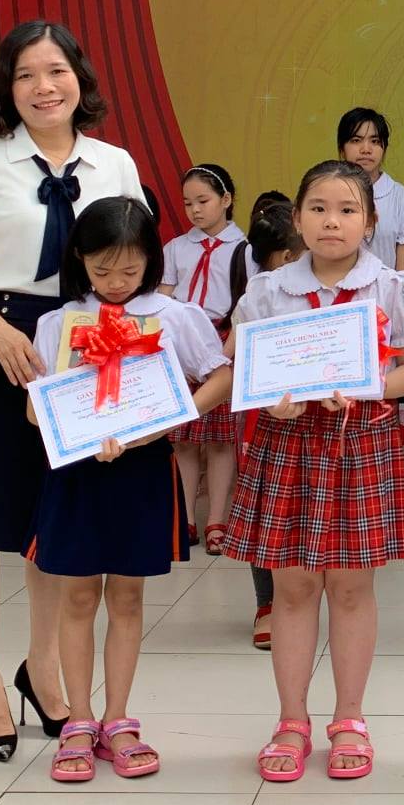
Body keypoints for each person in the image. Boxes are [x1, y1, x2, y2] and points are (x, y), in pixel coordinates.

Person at [0, 18, 146, 763]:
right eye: (26, 75)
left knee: (56, 519)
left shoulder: (114, 163)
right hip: (3, 338)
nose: (43, 87)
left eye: (56, 71)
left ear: (79, 78)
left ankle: (42, 668)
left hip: (86, 341)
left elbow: (134, 261)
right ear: (7, 87)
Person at [228, 161, 404, 781]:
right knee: (292, 588)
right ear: (297, 218)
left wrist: (363, 383)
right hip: (289, 442)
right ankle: (291, 720)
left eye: (347, 210)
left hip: (360, 442)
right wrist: (271, 396)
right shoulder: (268, 290)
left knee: (350, 587)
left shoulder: (392, 287)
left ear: (370, 222)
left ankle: (350, 718)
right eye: (318, 208)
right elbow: (240, 364)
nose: (332, 221)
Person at [31, 198, 235, 783]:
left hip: (142, 470)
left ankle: (118, 719)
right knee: (76, 598)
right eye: (102, 270)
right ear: (79, 260)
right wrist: (72, 429)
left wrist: (171, 417)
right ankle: (78, 720)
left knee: (126, 598)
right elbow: (34, 405)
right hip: (77, 472)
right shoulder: (59, 322)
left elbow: (221, 374)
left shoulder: (174, 316)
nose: (117, 283)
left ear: (151, 260)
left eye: (130, 270)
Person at [160, 164, 244, 554]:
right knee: (184, 438)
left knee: (221, 438)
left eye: (203, 201)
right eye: (188, 203)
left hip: (225, 341)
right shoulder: (176, 248)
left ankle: (217, 519)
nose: (195, 210)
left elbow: (248, 306)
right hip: (181, 344)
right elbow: (163, 299)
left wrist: (224, 355)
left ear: (226, 199)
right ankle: (186, 518)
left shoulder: (245, 249)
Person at [239, 196, 302, 648]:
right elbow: (231, 356)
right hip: (264, 418)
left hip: (314, 416)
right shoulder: (261, 294)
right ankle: (268, 603)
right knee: (267, 511)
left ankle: (297, 600)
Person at [340, 106, 404, 274]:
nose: (366, 149)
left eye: (375, 141)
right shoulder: (329, 196)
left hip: (392, 290)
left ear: (384, 148)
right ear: (342, 148)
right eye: (356, 140)